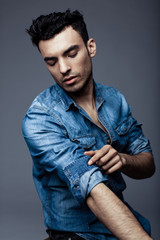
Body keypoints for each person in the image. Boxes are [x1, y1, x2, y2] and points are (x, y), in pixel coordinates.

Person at [22, 9, 155, 240]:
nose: (63, 69)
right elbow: (90, 187)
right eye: (52, 61)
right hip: (74, 234)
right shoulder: (39, 119)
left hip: (123, 225)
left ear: (90, 47)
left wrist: (123, 160)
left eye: (71, 54)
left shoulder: (115, 99)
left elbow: (147, 162)